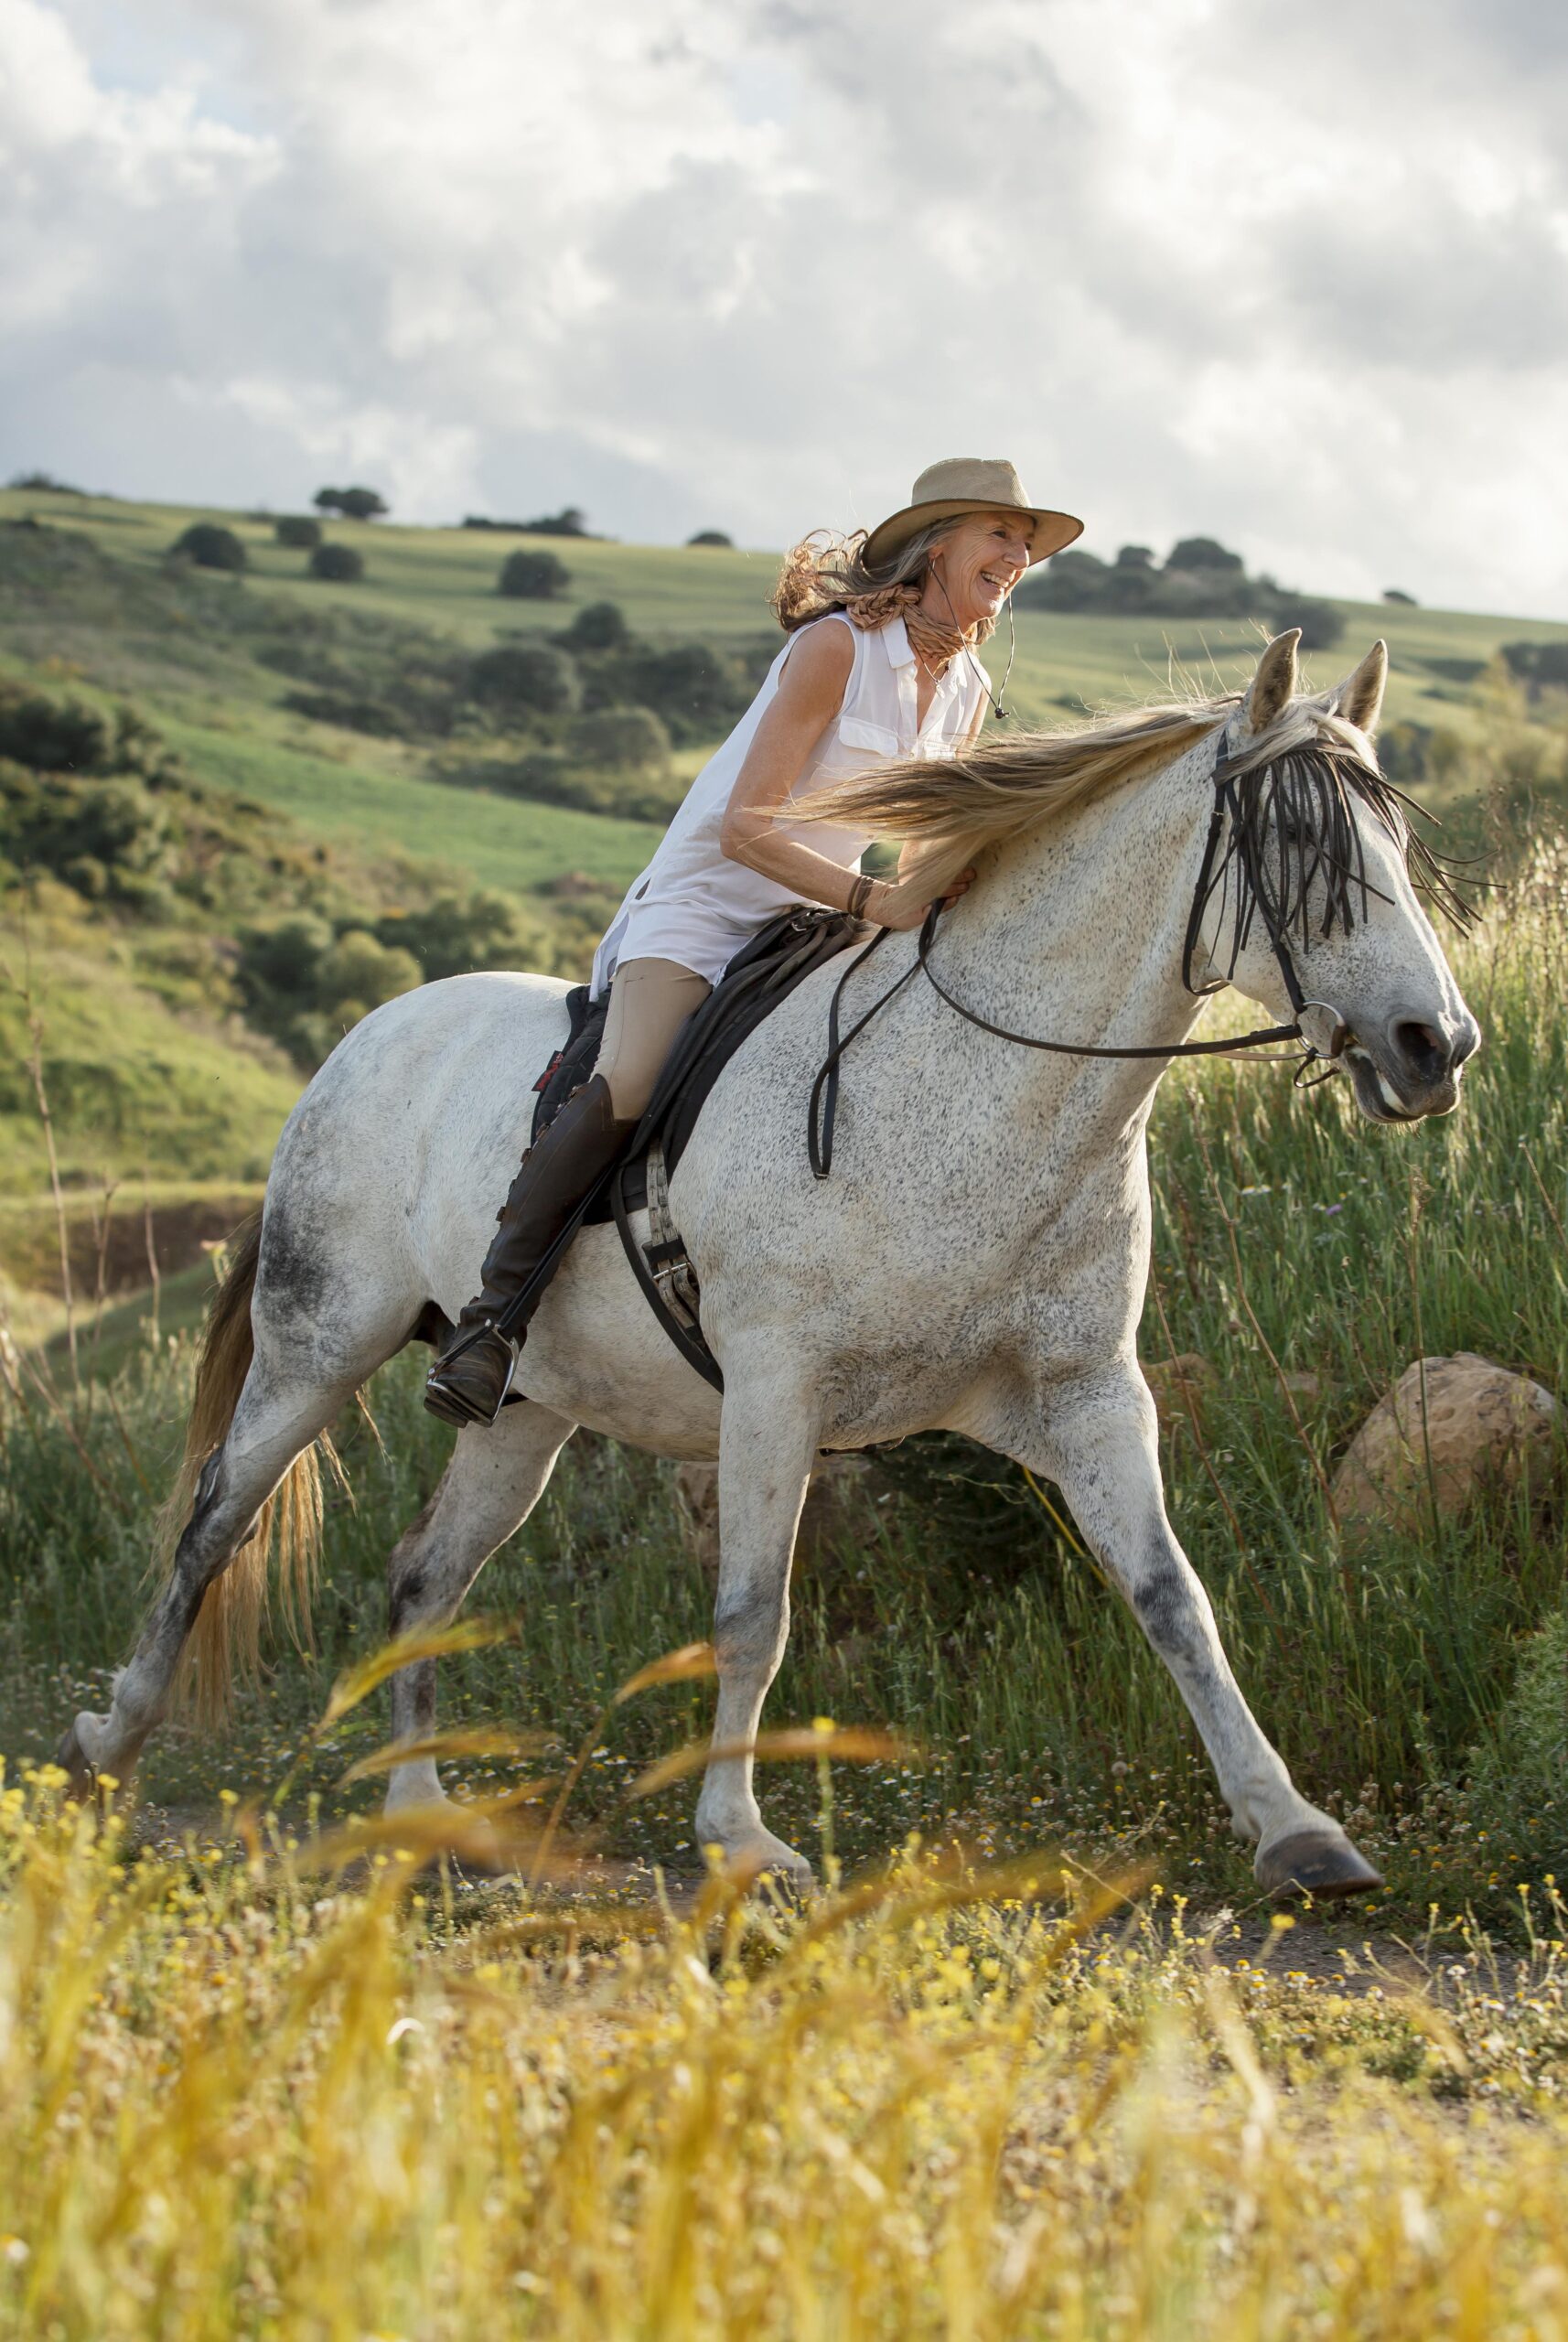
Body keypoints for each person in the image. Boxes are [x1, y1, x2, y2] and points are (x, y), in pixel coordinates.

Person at [424, 457, 1083, 1427]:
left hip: (812, 923)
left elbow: (915, 848)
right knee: (636, 1077)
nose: (1017, 555)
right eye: (1001, 533)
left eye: (1026, 544)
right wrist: (873, 898)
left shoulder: (967, 688)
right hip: (706, 907)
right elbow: (746, 826)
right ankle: (492, 1323)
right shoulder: (835, 650)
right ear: (936, 542)